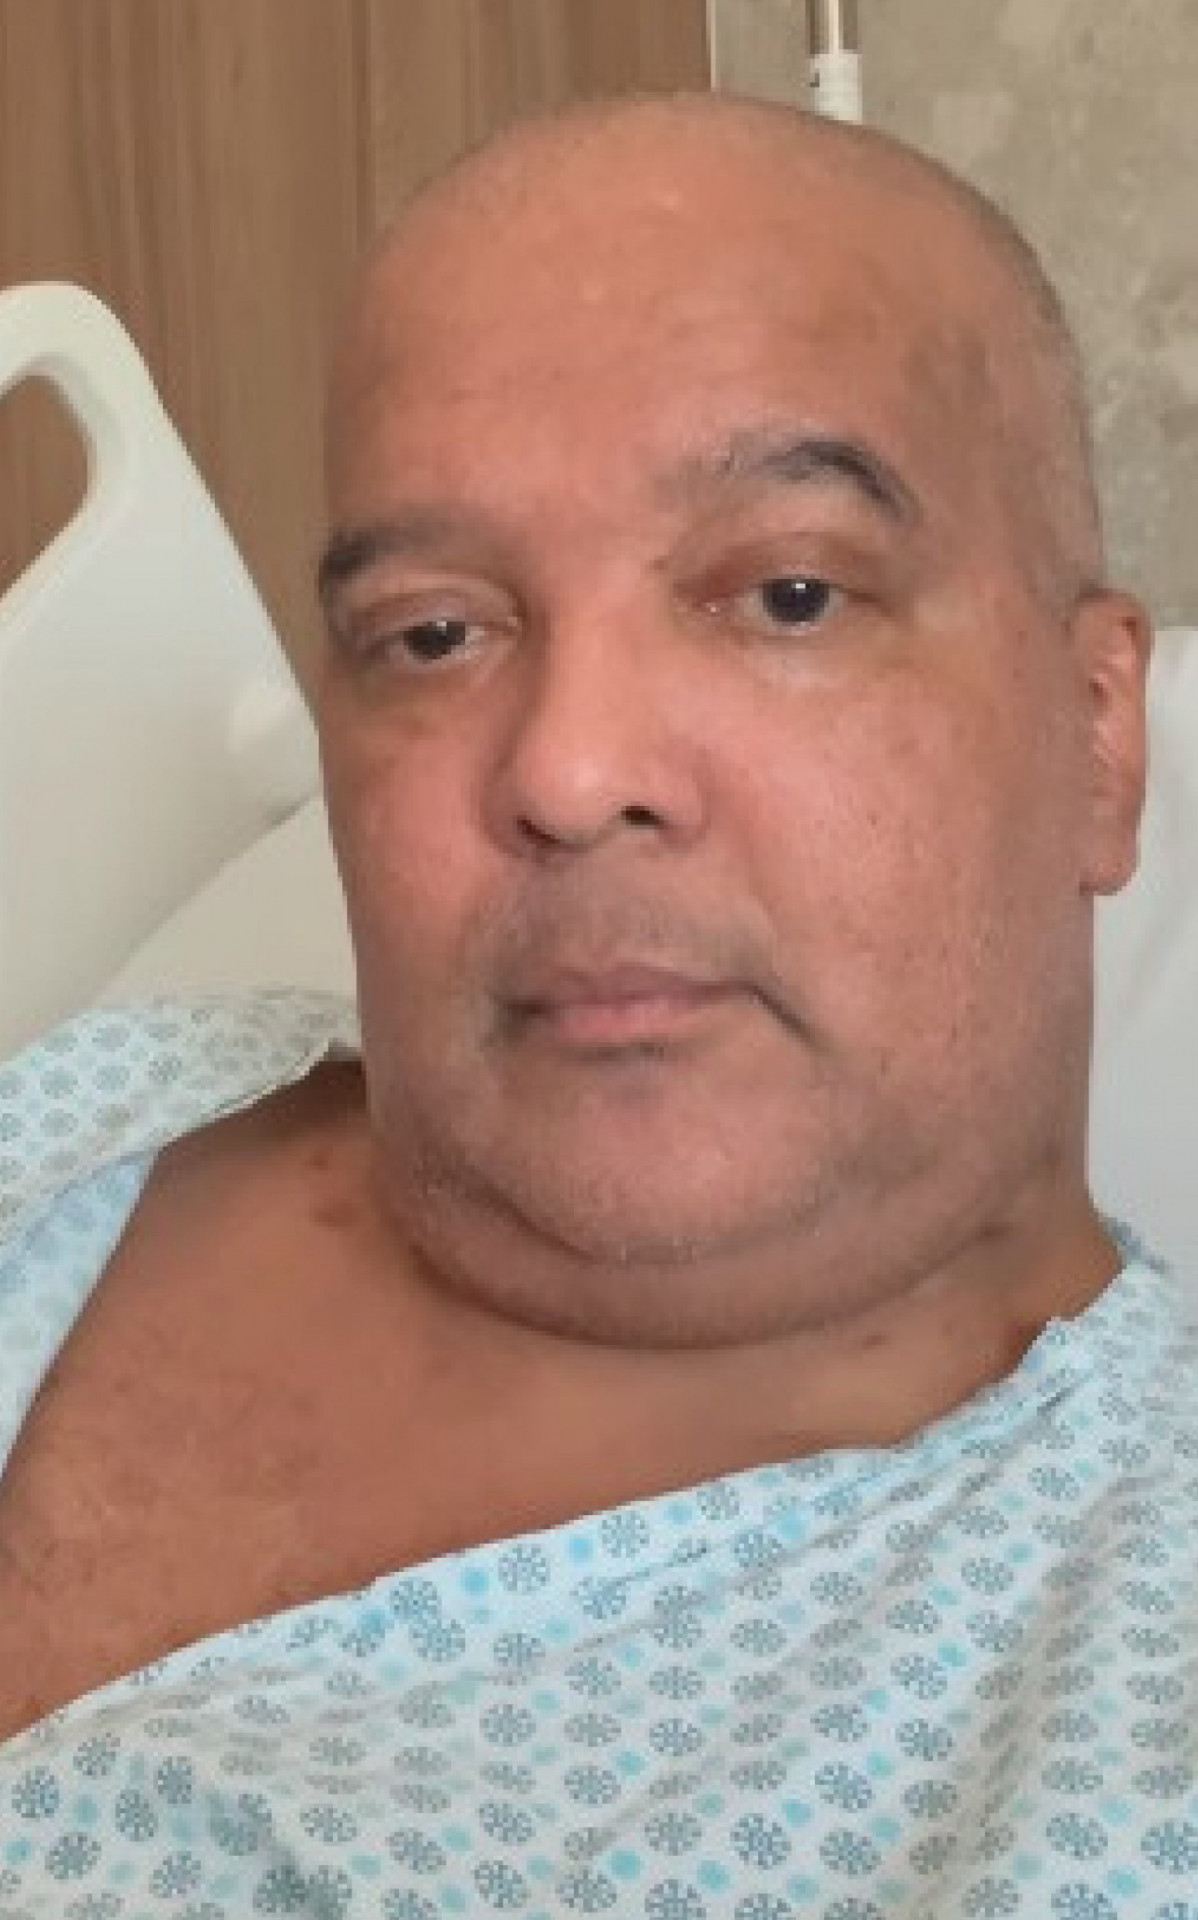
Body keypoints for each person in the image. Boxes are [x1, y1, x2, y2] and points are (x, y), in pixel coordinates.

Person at [0, 90, 1188, 1920]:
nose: (565, 770)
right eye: (433, 633)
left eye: (788, 594)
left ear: (1097, 734)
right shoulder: (131, 1096)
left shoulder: (1121, 1737)